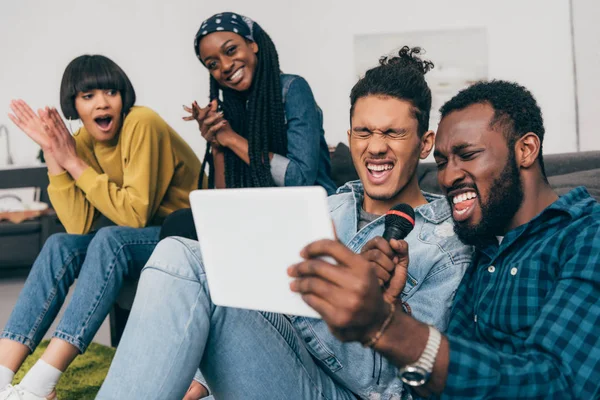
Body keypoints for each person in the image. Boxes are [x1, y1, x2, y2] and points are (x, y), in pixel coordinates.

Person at [95, 46, 472, 400]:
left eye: (393, 133)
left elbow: (393, 389)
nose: (375, 146)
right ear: (349, 137)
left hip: (349, 393)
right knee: (180, 251)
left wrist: (344, 305)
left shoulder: (447, 245)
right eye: (364, 131)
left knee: (188, 259)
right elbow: (251, 306)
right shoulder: (322, 208)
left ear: (425, 144)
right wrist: (199, 379)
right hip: (287, 369)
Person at [288, 80, 600, 399]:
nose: (448, 178)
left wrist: (387, 326)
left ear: (526, 150)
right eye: (441, 163)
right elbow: (437, 381)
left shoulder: (587, 235)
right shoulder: (485, 250)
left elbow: (558, 385)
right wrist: (394, 310)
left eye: (467, 155)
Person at [0, 55, 200, 400]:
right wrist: (53, 154)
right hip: (141, 238)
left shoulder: (142, 123)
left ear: (124, 97)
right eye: (88, 96)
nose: (103, 102)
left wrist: (74, 162)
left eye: (111, 91)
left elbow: (135, 215)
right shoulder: (81, 141)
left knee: (112, 240)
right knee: (61, 243)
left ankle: (41, 382)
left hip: (184, 235)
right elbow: (80, 225)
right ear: (74, 105)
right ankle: (2, 371)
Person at [160, 11, 336, 241]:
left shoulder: (293, 89)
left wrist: (231, 138)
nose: (224, 65)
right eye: (212, 64)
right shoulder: (229, 110)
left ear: (252, 44)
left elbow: (299, 179)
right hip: (261, 214)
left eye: (231, 50)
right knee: (181, 222)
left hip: (311, 213)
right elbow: (225, 200)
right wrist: (217, 143)